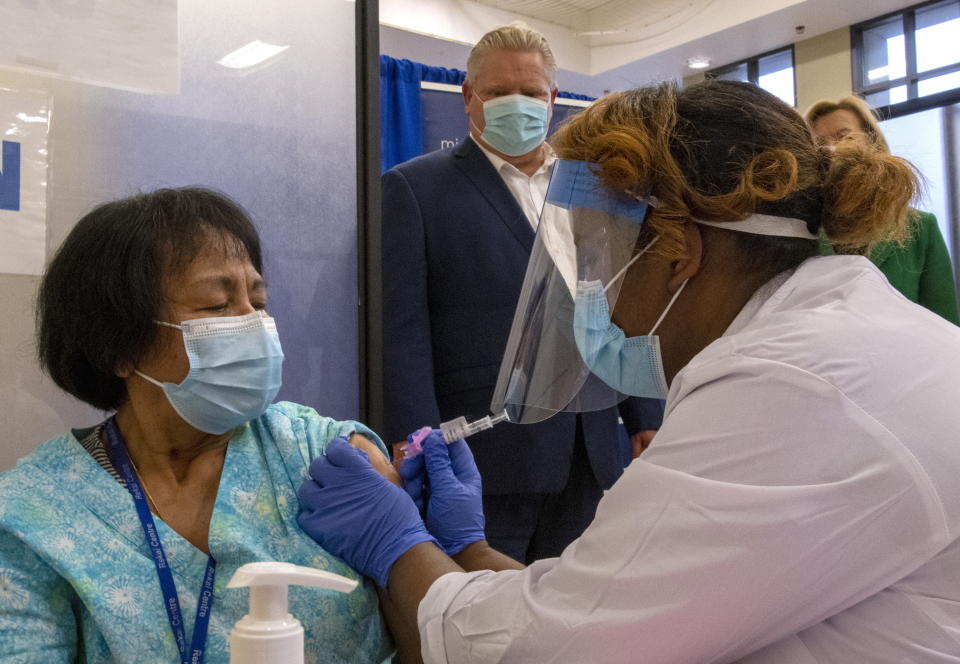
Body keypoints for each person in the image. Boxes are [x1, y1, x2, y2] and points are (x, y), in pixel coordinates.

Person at [299, 80, 960, 662]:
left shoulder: (790, 386)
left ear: (680, 254)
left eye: (596, 259)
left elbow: (550, 650)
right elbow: (607, 606)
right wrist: (466, 546)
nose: (593, 294)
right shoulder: (834, 334)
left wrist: (395, 545)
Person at [0, 188, 413, 662]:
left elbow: (432, 634)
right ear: (119, 346)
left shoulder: (328, 457)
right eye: (217, 307)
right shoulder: (36, 516)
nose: (254, 324)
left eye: (258, 302)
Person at [381, 24, 663, 565]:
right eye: (498, 92)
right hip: (484, 455)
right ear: (469, 99)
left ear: (553, 99)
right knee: (481, 622)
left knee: (572, 619)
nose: (519, 104)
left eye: (532, 92)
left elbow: (620, 300)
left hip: (591, 445)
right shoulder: (414, 189)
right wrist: (415, 440)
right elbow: (402, 334)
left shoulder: (594, 188)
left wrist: (646, 410)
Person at [805, 95, 959, 324]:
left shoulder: (920, 227)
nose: (832, 149)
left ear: (872, 143)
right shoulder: (803, 228)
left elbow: (945, 323)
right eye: (819, 143)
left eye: (844, 136)